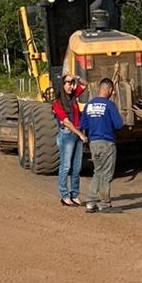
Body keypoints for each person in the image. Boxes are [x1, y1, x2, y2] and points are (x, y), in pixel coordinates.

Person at [81, 78, 124, 213]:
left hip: (93, 143)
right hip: (107, 143)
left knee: (98, 172)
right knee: (106, 174)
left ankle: (90, 201)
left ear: (99, 88)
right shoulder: (110, 105)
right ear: (110, 90)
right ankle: (104, 203)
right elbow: (119, 124)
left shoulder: (89, 105)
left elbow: (84, 124)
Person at [52, 73, 89, 206]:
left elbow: (85, 84)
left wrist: (76, 77)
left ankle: (75, 194)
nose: (71, 86)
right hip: (67, 135)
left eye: (72, 83)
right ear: (62, 85)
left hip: (76, 133)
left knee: (76, 167)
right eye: (68, 83)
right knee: (66, 166)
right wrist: (81, 134)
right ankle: (64, 195)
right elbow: (66, 122)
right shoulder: (57, 103)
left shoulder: (73, 97)